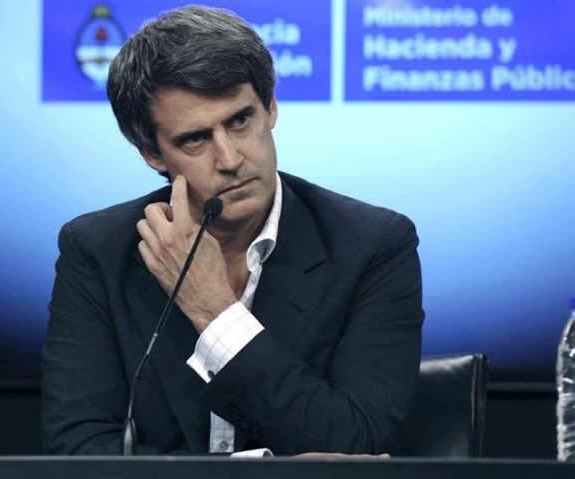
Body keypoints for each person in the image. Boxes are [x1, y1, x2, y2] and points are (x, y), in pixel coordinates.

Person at [42, 5, 424, 456]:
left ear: (271, 107)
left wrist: (215, 311)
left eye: (240, 120)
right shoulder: (99, 252)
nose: (229, 158)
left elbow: (356, 442)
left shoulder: (372, 246)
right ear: (152, 154)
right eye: (195, 139)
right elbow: (78, 451)